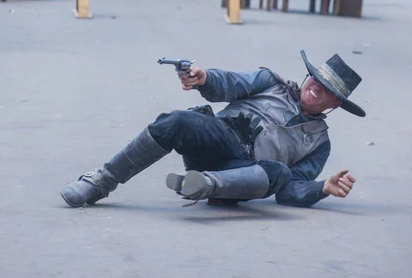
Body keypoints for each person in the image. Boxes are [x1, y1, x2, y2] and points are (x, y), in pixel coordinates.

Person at [61, 50, 364, 209]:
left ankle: (204, 185)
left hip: (245, 174)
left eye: (326, 90)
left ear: (335, 104)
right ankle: (101, 182)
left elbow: (288, 191)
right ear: (307, 76)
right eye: (315, 80)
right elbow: (232, 83)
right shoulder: (271, 82)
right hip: (218, 137)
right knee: (176, 120)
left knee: (280, 173)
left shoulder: (319, 143)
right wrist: (204, 77)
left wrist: (321, 189)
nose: (316, 88)